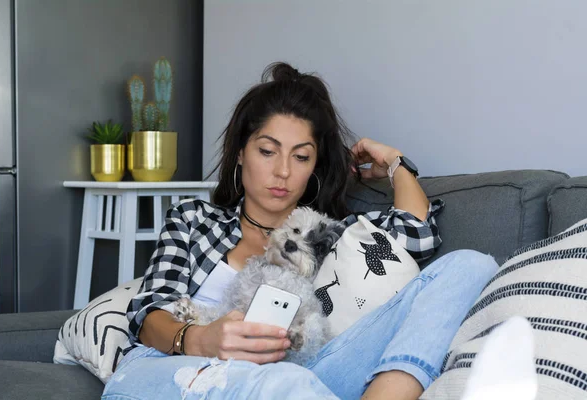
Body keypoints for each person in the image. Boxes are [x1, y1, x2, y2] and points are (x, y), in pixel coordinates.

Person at [102, 62, 497, 400]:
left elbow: (416, 235)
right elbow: (148, 313)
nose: (284, 172)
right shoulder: (193, 219)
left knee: (469, 266)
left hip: (306, 377)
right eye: (268, 151)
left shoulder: (334, 236)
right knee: (283, 383)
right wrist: (198, 339)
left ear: (314, 166)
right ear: (241, 152)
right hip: (191, 372)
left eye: (301, 156)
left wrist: (395, 164)